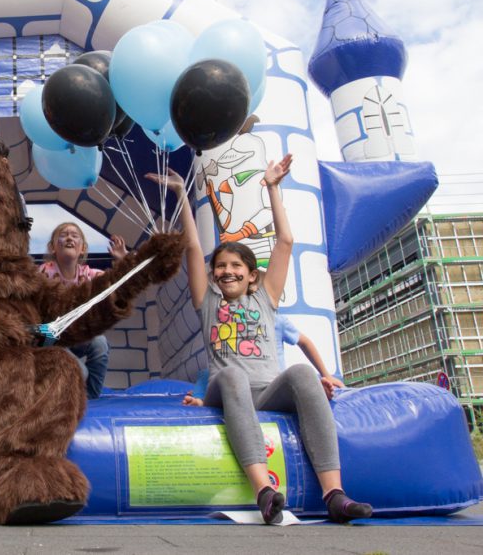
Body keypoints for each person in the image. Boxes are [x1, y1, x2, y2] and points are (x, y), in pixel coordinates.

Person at [151, 158, 372, 524]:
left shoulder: (265, 299)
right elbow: (192, 247)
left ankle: (335, 493)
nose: (227, 271)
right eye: (221, 266)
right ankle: (263, 491)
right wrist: (181, 196)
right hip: (228, 386)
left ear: (252, 275)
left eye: (236, 266)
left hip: (269, 389)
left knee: (302, 373)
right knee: (233, 375)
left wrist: (272, 187)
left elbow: (285, 240)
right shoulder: (207, 302)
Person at [37, 222, 127, 399]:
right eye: (63, 235)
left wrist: (122, 261)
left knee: (100, 343)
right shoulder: (45, 272)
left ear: (82, 248)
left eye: (75, 235)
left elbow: (115, 284)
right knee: (82, 373)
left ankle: (91, 397)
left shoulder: (88, 274)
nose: (69, 237)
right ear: (52, 247)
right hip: (51, 339)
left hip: (75, 335)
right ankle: (65, 387)